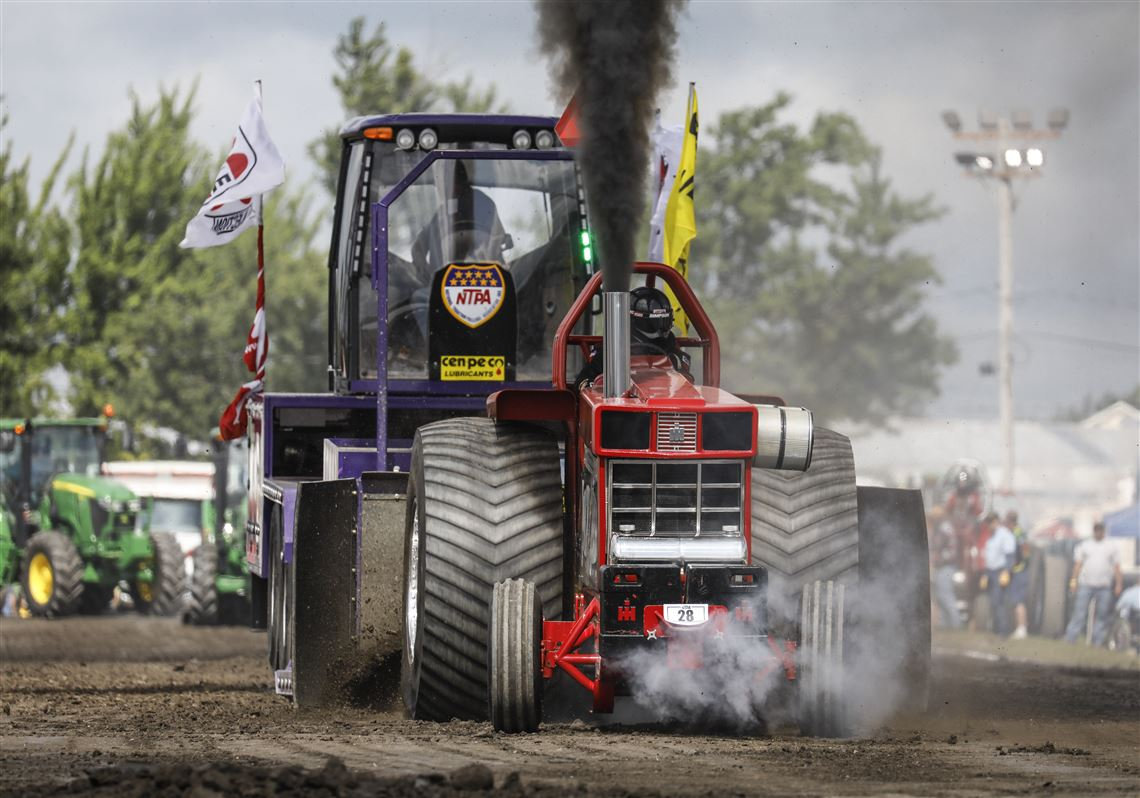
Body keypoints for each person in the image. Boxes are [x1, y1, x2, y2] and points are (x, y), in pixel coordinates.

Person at [574, 285, 692, 391]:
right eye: (654, 322)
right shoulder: (611, 350)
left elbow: (687, 385)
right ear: (634, 320)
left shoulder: (673, 351)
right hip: (622, 409)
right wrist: (594, 387)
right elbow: (583, 382)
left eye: (664, 321)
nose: (660, 327)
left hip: (666, 406)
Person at [1064, 521, 1123, 646]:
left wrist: (1118, 584)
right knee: (1079, 613)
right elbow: (1077, 565)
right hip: (1086, 585)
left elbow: (1117, 567)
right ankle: (1071, 638)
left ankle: (1098, 641)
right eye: (1096, 530)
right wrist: (1073, 581)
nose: (1098, 532)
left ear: (1103, 531)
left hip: (1104, 587)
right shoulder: (1085, 545)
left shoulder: (1111, 546)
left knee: (1102, 616)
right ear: (1093, 531)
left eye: (1100, 529)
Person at [981, 511, 1016, 636]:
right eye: (988, 522)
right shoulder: (991, 536)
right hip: (990, 572)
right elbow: (989, 557)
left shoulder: (1005, 535)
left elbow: (1010, 556)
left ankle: (1003, 631)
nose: (989, 525)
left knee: (999, 602)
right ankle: (996, 630)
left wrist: (1006, 571)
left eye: (991, 522)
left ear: (996, 521)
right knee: (993, 602)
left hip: (1000, 571)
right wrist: (985, 573)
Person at [929, 507, 962, 629]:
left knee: (946, 595)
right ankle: (945, 625)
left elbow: (952, 550)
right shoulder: (938, 529)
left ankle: (955, 624)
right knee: (940, 596)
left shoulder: (945, 529)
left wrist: (938, 559)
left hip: (946, 567)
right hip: (940, 567)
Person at [1005, 510, 1031, 639]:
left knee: (1018, 601)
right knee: (1016, 600)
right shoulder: (1016, 532)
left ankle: (1022, 629)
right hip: (1018, 570)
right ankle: (1020, 627)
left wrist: (1018, 565)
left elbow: (1025, 551)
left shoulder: (1017, 533)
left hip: (1019, 571)